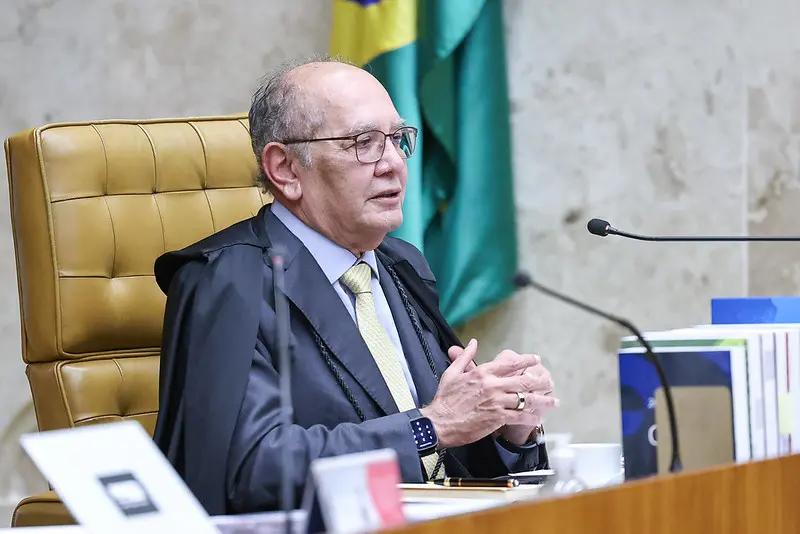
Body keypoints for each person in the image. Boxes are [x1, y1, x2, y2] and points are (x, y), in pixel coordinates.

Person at [152, 56, 559, 516]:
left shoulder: (401, 265)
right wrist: (430, 426)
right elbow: (245, 470)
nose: (394, 165)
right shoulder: (227, 281)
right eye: (364, 143)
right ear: (285, 169)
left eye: (398, 140)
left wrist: (508, 428)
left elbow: (446, 461)